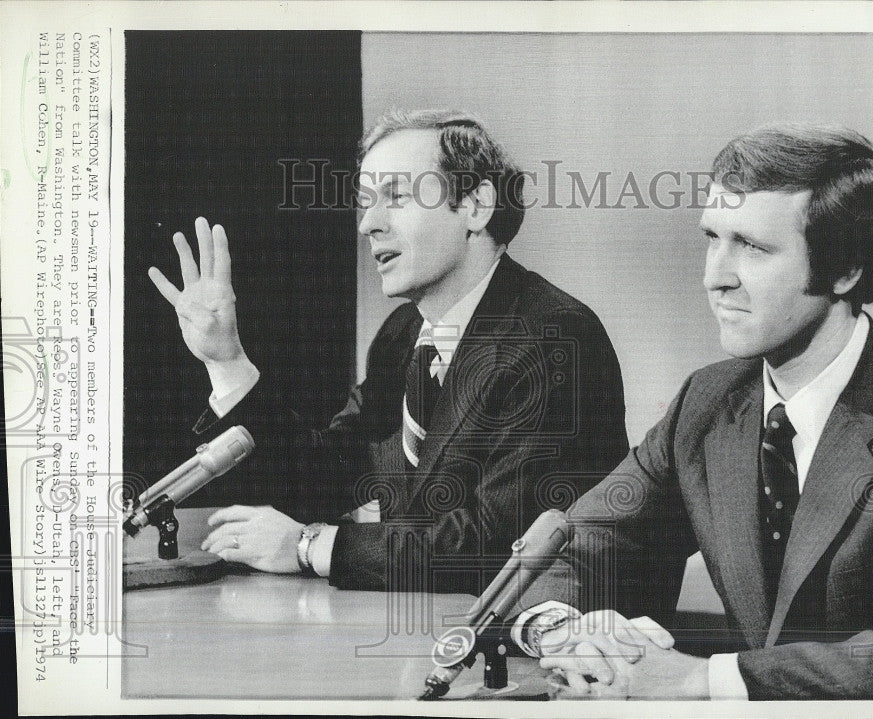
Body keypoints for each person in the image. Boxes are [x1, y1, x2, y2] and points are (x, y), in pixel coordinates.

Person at [523, 124, 873, 699]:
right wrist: (565, 631)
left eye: (752, 247)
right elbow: (577, 545)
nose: (714, 277)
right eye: (713, 238)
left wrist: (702, 679)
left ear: (846, 270)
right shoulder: (706, 403)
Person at [148, 110, 628, 593]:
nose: (367, 225)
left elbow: (503, 544)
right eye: (364, 203)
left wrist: (309, 547)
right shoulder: (404, 334)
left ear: (476, 206)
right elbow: (324, 476)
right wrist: (226, 359)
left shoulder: (557, 339)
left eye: (396, 196)